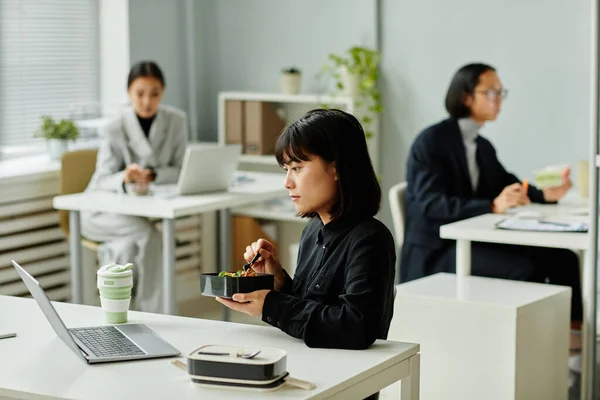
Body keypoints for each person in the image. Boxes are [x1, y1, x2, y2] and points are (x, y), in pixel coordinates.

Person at [400, 62, 582, 388]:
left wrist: (546, 194)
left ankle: (573, 352)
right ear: (467, 96)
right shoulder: (432, 142)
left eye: (501, 93)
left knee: (564, 258)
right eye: (491, 92)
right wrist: (492, 204)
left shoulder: (481, 145)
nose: (499, 99)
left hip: (468, 243)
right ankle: (528, 355)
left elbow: (507, 185)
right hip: (435, 252)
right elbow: (430, 204)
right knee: (524, 268)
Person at [217, 109, 396, 353]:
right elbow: (312, 306)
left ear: (336, 169)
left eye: (297, 168)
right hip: (306, 363)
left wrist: (270, 305)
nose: (287, 182)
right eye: (286, 169)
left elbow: (357, 327)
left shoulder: (370, 239)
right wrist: (278, 280)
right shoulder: (312, 231)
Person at [82, 61, 188, 312]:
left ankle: (130, 311)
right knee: (151, 237)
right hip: (101, 214)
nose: (147, 101)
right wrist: (124, 177)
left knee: (129, 247)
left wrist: (153, 175)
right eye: (139, 94)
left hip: (137, 213)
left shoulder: (176, 121)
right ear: (129, 93)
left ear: (163, 93)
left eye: (154, 94)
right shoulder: (114, 128)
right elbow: (101, 181)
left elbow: (181, 169)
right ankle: (152, 311)